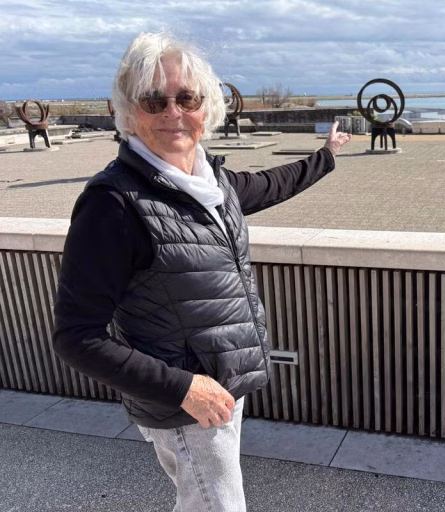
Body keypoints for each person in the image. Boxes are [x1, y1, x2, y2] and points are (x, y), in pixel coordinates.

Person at [53, 32, 350, 512]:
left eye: (186, 97)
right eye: (154, 100)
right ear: (129, 113)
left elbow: (274, 184)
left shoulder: (214, 184)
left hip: (221, 387)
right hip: (183, 402)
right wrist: (185, 387)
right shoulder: (113, 204)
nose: (173, 111)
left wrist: (327, 156)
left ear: (206, 106)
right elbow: (75, 336)